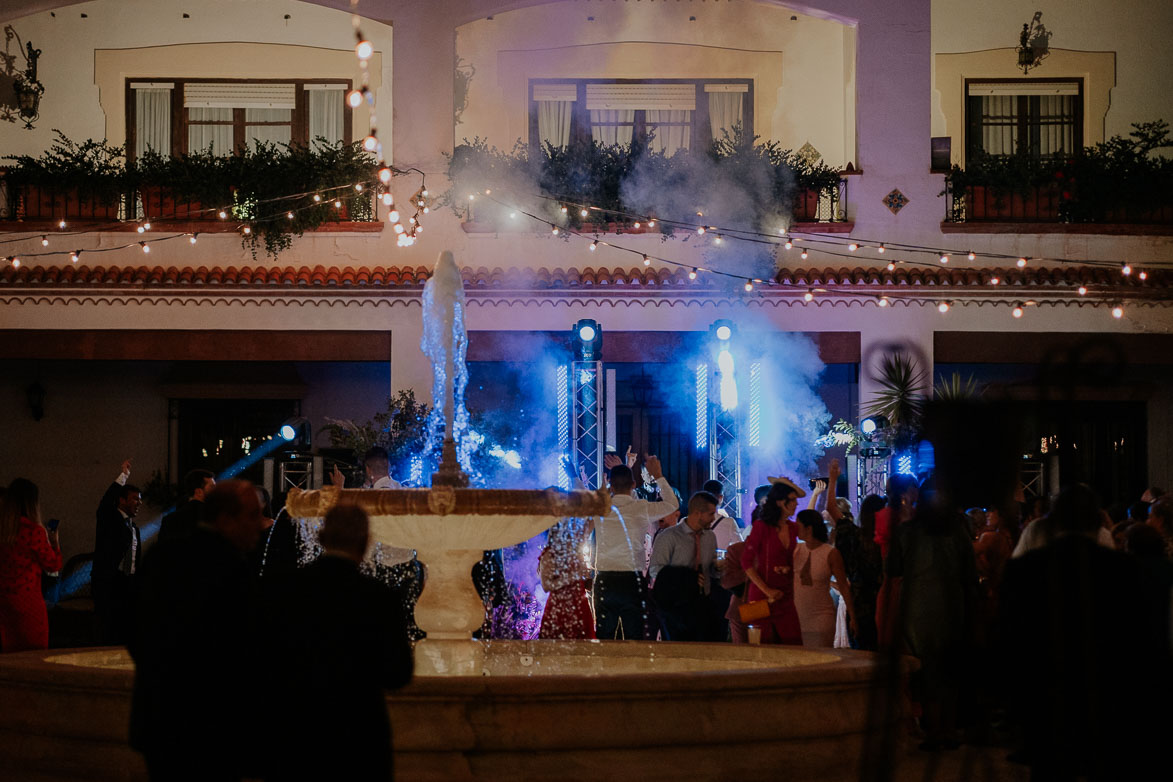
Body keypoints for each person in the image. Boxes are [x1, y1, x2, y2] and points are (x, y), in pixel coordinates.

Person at [1000, 483, 1162, 779]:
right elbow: (1140, 636)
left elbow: (1010, 637)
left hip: (1044, 688)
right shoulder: (1123, 568)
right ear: (1097, 520)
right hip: (1105, 688)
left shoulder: (1024, 569)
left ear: (1054, 519)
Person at [262, 502, 414, 781]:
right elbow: (398, 673)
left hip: (296, 731)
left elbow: (264, 659)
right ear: (366, 540)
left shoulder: (285, 590)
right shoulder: (378, 597)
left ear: (321, 537)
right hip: (359, 735)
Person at [129, 479, 268, 781]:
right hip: (212, 726)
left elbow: (132, 627)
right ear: (226, 519)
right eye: (253, 516)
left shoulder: (162, 557)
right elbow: (246, 651)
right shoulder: (234, 571)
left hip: (159, 717)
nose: (260, 525)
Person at [887, 501, 978, 751]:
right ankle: (948, 729)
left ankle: (934, 730)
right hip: (952, 604)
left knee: (925, 667)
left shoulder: (905, 531)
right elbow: (970, 573)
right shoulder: (958, 532)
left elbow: (893, 569)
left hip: (917, 606)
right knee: (950, 665)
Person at [592, 456, 675, 640]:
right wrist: (658, 475)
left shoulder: (599, 507)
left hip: (605, 579)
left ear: (610, 486)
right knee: (634, 639)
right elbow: (672, 504)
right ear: (634, 484)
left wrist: (607, 486)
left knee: (604, 639)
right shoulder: (641, 507)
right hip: (632, 581)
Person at [0, 479, 62, 652]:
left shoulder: (3, 529)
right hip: (28, 601)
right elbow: (52, 565)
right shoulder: (33, 531)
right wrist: (55, 544)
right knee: (34, 651)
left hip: (4, 601)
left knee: (9, 651)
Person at [649, 491, 720, 641]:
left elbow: (711, 572)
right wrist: (685, 577)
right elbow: (655, 569)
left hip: (703, 604)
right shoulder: (669, 536)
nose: (714, 519)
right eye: (711, 514)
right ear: (697, 513)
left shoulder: (710, 537)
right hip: (676, 606)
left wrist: (718, 569)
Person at [740, 479, 805, 645]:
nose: (797, 503)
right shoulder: (762, 526)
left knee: (794, 643)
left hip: (785, 595)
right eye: (792, 500)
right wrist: (767, 590)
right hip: (762, 596)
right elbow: (746, 562)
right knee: (762, 647)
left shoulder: (792, 527)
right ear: (780, 502)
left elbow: (803, 495)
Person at [92, 459, 141, 645]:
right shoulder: (110, 519)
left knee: (125, 631)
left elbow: (135, 559)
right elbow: (105, 502)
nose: (139, 503)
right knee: (106, 630)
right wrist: (124, 476)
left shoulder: (134, 528)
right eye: (135, 498)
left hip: (128, 584)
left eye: (140, 499)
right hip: (109, 583)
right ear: (121, 500)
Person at [793, 509, 857, 648]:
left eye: (798, 525)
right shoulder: (796, 550)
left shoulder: (830, 553)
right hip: (796, 618)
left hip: (821, 617)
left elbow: (844, 587)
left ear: (808, 528)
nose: (794, 528)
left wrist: (852, 616)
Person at [538, 518, 596, 640]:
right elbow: (546, 586)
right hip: (559, 609)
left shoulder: (574, 549)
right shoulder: (550, 553)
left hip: (579, 606)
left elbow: (592, 522)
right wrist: (572, 577)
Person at [157, 468, 214, 545]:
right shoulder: (213, 518)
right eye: (212, 487)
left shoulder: (169, 519)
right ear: (199, 492)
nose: (216, 490)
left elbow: (162, 551)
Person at [703, 479, 743, 551]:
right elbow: (741, 549)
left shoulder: (686, 521)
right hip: (717, 561)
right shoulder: (729, 523)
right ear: (721, 498)